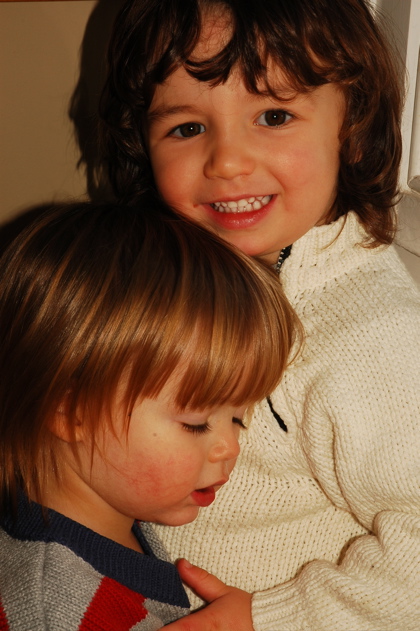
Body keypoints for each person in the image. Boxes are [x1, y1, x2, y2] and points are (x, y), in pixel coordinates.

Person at [99, 0, 420, 629]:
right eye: (187, 128)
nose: (226, 161)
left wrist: (271, 618)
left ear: (351, 128)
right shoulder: (177, 271)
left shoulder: (370, 335)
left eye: (274, 116)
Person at [0, 201, 297, 631]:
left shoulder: (110, 518)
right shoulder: (58, 608)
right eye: (196, 422)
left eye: (238, 417)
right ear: (72, 412)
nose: (230, 447)